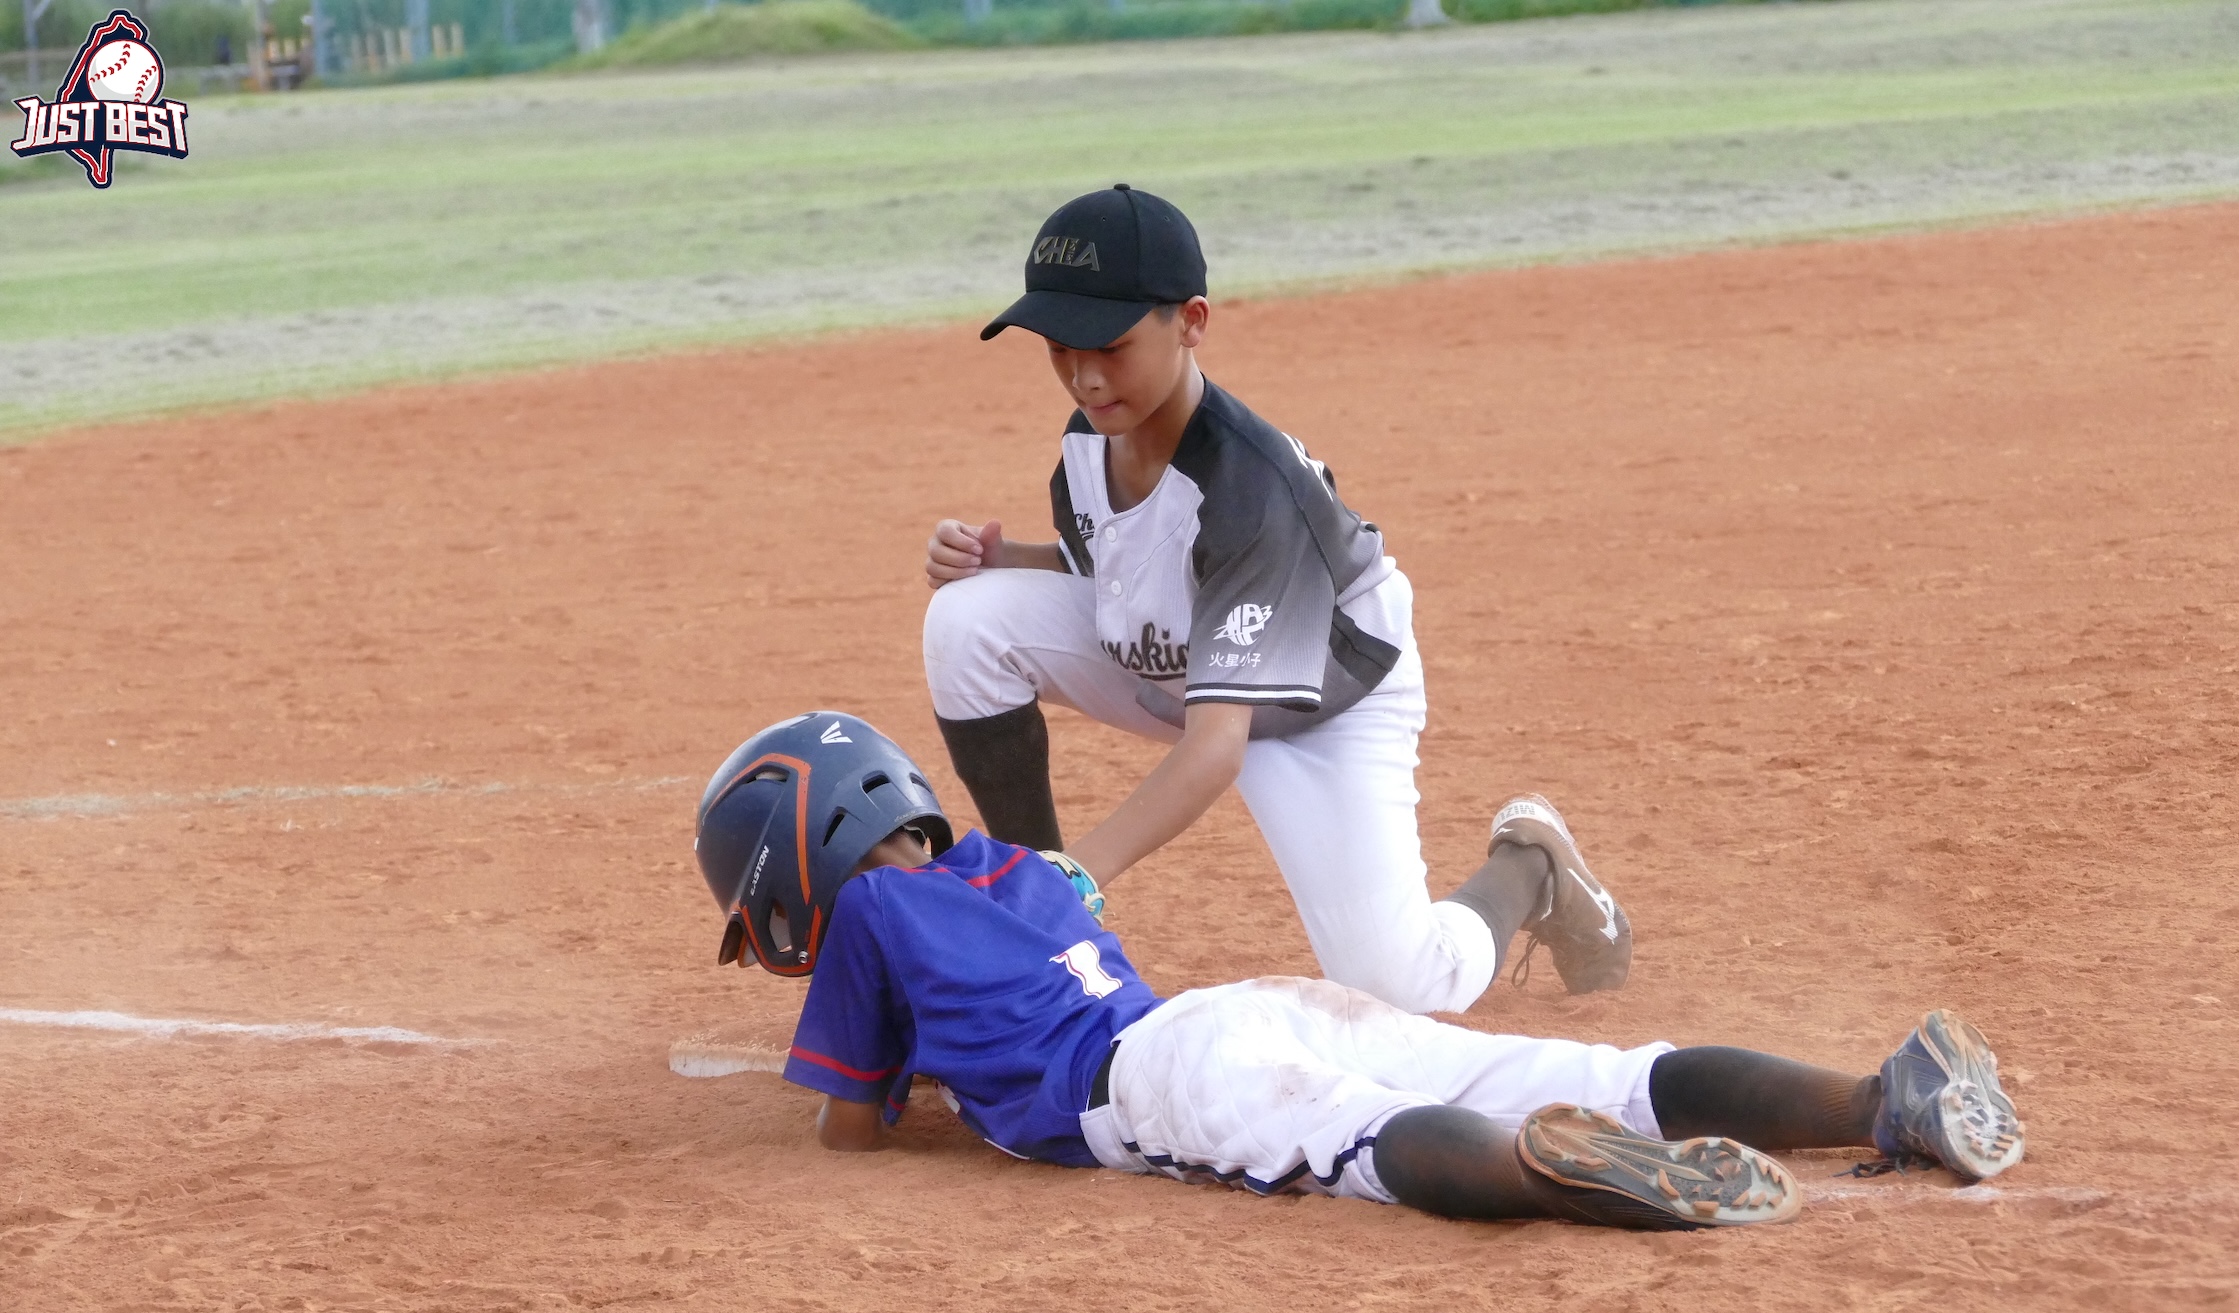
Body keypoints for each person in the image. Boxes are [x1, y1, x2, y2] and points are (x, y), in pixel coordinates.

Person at [692, 713, 2026, 1231]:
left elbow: (851, 1135)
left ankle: (1558, 1175)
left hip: (1155, 1082)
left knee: (1370, 1144)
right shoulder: (1021, 870)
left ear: (803, 863)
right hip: (1244, 1006)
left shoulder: (869, 921)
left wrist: (886, 1093)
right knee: (1581, 1070)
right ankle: (1878, 1100)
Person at [921, 184, 1628, 1019]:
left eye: (1108, 344)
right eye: (1058, 346)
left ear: (1190, 321)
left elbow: (1218, 747)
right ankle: (1037, 944)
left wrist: (1077, 873)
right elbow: (1125, 560)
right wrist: (1009, 559)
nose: (1082, 373)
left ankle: (1530, 869)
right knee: (967, 620)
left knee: (1402, 987)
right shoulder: (1093, 436)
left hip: (1321, 695)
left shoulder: (1252, 488)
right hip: (1192, 660)